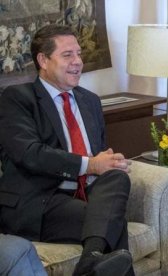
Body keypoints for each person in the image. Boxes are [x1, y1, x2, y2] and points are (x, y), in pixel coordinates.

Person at [0, 24, 134, 276]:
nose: (78, 62)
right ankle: (92, 260)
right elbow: (30, 153)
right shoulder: (17, 99)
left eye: (79, 54)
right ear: (43, 60)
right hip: (41, 201)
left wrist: (110, 163)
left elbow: (98, 156)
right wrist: (91, 164)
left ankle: (89, 263)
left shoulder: (90, 101)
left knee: (117, 178)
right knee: (112, 223)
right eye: (67, 55)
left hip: (88, 193)